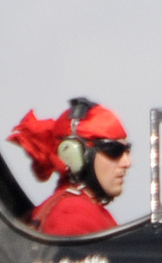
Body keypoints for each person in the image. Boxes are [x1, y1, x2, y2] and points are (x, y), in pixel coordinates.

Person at [9, 97, 133, 236]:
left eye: (127, 151)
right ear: (74, 155)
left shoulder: (79, 208)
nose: (127, 162)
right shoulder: (73, 213)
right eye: (114, 150)